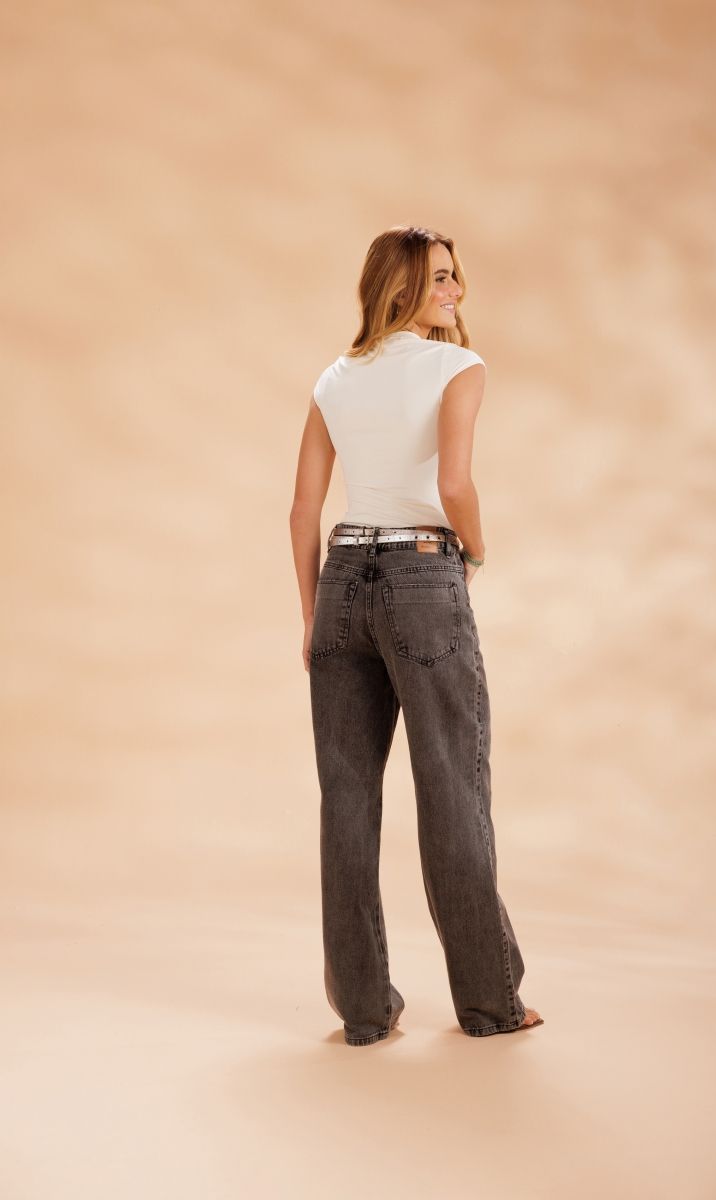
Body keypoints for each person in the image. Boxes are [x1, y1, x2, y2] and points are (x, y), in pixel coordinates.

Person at [289, 225, 542, 1046]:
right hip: (423, 578)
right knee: (452, 788)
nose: (456, 291)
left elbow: (303, 509)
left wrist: (312, 617)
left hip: (340, 581)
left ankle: (364, 1011)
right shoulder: (457, 368)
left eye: (455, 276)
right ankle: (490, 1003)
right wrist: (477, 549)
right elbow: (454, 483)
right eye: (439, 278)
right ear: (399, 289)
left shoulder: (334, 378)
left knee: (346, 799)